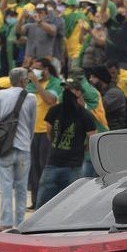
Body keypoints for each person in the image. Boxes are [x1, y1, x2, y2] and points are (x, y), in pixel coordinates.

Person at [0, 67, 36, 230]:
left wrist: (3, 128)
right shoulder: (31, 98)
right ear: (22, 81)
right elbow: (31, 125)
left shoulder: (0, 95)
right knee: (21, 188)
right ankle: (20, 224)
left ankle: (6, 223)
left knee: (6, 186)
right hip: (23, 148)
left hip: (4, 147)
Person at [35, 77, 98, 208]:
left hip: (69, 165)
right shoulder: (58, 111)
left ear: (79, 92)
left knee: (64, 206)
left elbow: (49, 132)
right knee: (58, 205)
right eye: (65, 88)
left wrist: (58, 144)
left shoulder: (83, 114)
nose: (66, 91)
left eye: (70, 88)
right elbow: (92, 138)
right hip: (57, 164)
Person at [25, 56, 62, 207]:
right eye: (32, 68)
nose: (34, 71)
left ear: (46, 70)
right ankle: (35, 201)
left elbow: (50, 100)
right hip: (31, 132)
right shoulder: (31, 85)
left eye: (37, 68)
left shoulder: (56, 83)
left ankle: (46, 203)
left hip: (47, 131)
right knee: (33, 169)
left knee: (45, 168)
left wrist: (35, 82)